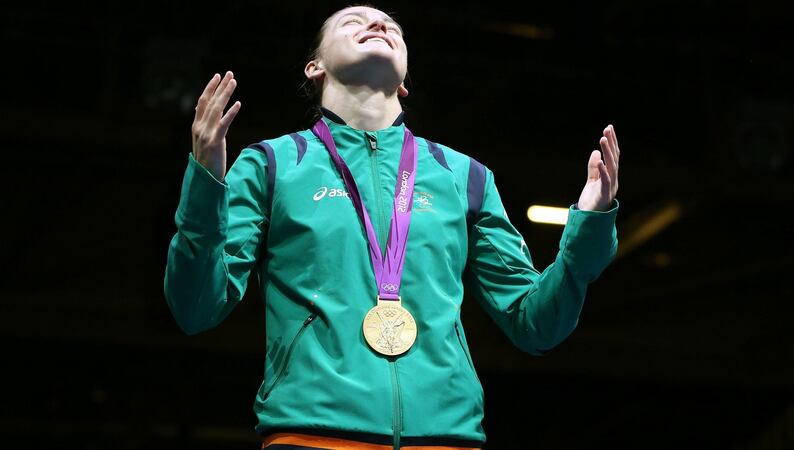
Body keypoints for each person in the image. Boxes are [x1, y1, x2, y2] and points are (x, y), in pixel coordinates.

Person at [164, 5, 620, 450]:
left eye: (391, 26)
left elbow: (535, 323)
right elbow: (197, 306)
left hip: (446, 437)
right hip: (314, 433)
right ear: (314, 66)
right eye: (353, 21)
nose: (378, 23)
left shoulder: (463, 176)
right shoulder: (273, 164)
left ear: (405, 85)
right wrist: (206, 181)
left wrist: (588, 226)